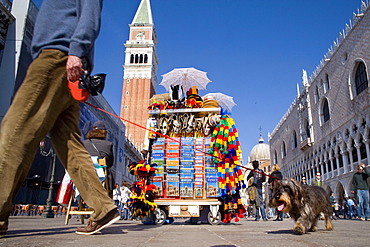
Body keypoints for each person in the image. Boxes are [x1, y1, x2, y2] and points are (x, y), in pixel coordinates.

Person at [0, 0, 119, 237]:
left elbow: (90, 15)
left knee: (14, 132)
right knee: (70, 146)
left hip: (56, 59)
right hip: (65, 63)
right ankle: (103, 207)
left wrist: (76, 51)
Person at [82, 120, 115, 197]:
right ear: (104, 132)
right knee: (108, 173)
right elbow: (110, 163)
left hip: (84, 175)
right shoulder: (108, 144)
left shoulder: (84, 143)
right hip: (102, 177)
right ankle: (107, 199)